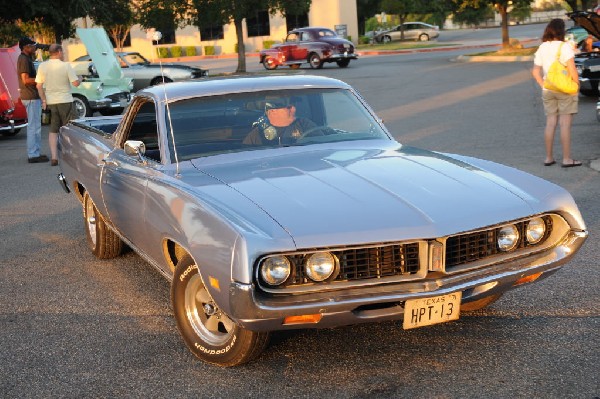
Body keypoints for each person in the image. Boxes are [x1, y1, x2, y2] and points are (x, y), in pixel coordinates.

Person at [531, 19, 582, 168]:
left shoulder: (542, 47)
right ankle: (566, 159)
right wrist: (576, 86)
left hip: (549, 89)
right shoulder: (564, 47)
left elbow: (535, 71)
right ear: (561, 31)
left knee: (550, 123)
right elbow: (572, 70)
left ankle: (548, 158)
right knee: (564, 125)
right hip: (565, 89)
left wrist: (544, 85)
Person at [35, 44, 80, 166]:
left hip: (50, 102)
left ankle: (54, 157)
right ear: (59, 52)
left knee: (53, 130)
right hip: (65, 100)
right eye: (63, 51)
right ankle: (70, 155)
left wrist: (44, 100)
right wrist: (80, 78)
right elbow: (75, 83)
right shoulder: (65, 66)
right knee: (69, 128)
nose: (64, 54)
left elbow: (38, 85)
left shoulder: (42, 66)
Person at [17, 37, 49, 163]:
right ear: (25, 47)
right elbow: (25, 80)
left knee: (34, 126)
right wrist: (40, 79)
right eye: (32, 45)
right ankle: (33, 155)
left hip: (30, 96)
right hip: (30, 96)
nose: (34, 48)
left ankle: (35, 153)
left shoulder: (26, 58)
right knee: (34, 127)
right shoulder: (24, 59)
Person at [243, 98, 317, 146]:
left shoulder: (304, 124)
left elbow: (322, 142)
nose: (294, 109)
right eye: (288, 107)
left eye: (293, 106)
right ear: (272, 111)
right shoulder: (257, 134)